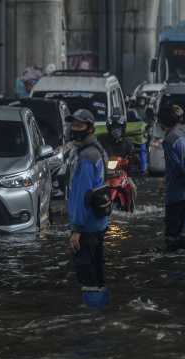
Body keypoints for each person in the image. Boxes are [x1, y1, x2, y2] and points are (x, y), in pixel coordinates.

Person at [66, 109, 110, 308]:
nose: (75, 129)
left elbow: (84, 197)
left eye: (80, 126)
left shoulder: (86, 158)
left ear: (90, 129)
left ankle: (92, 322)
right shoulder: (100, 150)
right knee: (98, 275)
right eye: (73, 125)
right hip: (99, 223)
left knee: (88, 276)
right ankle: (102, 313)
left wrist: (76, 231)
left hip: (87, 227)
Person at [157, 103, 185, 252]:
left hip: (175, 194)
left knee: (171, 235)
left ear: (162, 122)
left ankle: (171, 270)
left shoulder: (168, 141)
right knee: (178, 232)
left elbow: (179, 169)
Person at [99, 115, 138, 206]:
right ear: (109, 128)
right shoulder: (102, 143)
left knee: (132, 188)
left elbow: (134, 154)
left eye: (118, 127)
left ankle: (132, 208)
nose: (116, 130)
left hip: (124, 174)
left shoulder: (128, 144)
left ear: (122, 128)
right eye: (113, 127)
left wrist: (133, 157)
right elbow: (96, 153)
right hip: (105, 174)